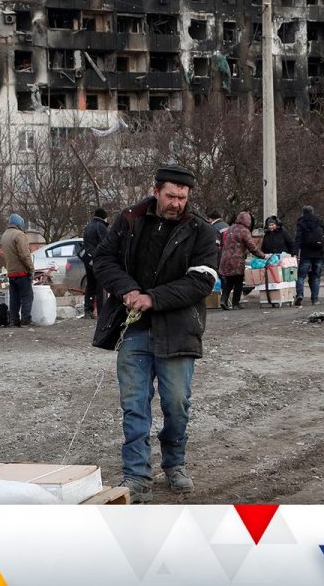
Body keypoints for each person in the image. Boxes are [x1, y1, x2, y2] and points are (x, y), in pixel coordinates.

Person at [91, 165, 218, 503]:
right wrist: (127, 289)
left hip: (179, 330)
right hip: (134, 329)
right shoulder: (129, 219)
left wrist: (154, 297)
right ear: (156, 190)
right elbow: (103, 260)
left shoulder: (201, 231)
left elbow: (202, 281)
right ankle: (137, 475)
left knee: (177, 405)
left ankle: (174, 462)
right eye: (170, 195)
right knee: (134, 405)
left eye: (182, 197)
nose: (176, 203)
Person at [219, 212, 266, 310]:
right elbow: (252, 247)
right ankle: (236, 303)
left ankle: (223, 300)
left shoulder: (230, 228)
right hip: (236, 260)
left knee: (229, 281)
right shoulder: (244, 231)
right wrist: (263, 256)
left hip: (225, 259)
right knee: (238, 281)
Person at [0, 213, 34, 326]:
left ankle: (14, 320)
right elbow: (24, 255)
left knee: (14, 298)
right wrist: (31, 268)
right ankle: (26, 320)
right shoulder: (19, 235)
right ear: (20, 224)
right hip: (22, 271)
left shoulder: (5, 235)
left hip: (11, 272)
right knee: (27, 296)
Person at [294, 205, 324, 306]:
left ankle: (300, 294)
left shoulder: (301, 223)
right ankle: (315, 299)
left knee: (301, 276)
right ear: (313, 211)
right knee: (316, 277)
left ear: (303, 212)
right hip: (319, 254)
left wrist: (295, 252)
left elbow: (298, 239)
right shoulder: (320, 222)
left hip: (306, 253)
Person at [81, 208, 110, 317]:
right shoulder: (101, 227)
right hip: (98, 259)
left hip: (88, 260)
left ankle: (88, 309)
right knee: (100, 286)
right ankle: (102, 311)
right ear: (104, 216)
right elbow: (106, 244)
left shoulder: (88, 226)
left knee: (90, 284)